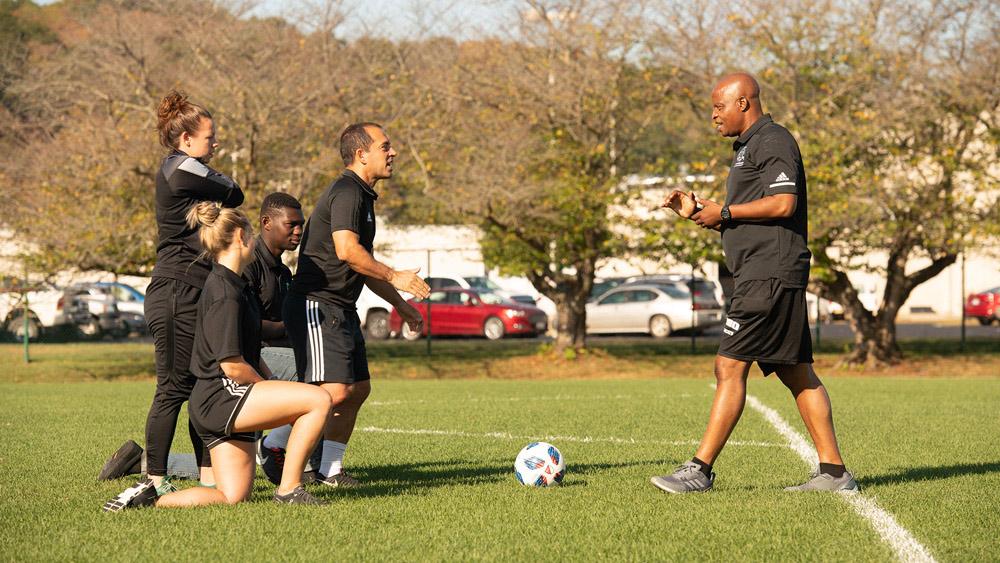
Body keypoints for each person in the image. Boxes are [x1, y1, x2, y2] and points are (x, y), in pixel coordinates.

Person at [652, 72, 857, 493]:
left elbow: (784, 203)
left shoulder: (773, 140)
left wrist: (725, 212)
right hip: (763, 273)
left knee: (728, 365)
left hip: (768, 275)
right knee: (796, 372)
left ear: (744, 103)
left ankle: (700, 470)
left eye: (718, 106)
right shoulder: (746, 149)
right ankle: (834, 474)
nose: (713, 115)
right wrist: (701, 212)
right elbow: (748, 218)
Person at [103, 203, 331, 511]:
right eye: (251, 233)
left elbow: (247, 352)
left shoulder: (237, 285)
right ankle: (289, 488)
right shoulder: (224, 290)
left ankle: (147, 500)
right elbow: (232, 366)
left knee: (232, 495)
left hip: (220, 400)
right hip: (220, 398)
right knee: (319, 400)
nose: (254, 239)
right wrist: (267, 388)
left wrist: (274, 385)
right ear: (240, 237)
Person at [271, 122, 429, 487]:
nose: (393, 153)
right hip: (316, 304)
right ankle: (276, 444)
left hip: (340, 307)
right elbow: (347, 251)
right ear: (362, 155)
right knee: (335, 391)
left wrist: (401, 306)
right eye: (385, 147)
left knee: (357, 389)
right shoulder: (347, 191)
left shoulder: (363, 197)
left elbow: (361, 264)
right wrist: (395, 276)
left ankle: (330, 469)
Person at [140, 91, 245, 494]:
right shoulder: (179, 167)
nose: (215, 144)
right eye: (209, 137)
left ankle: (208, 474)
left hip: (198, 290)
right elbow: (234, 192)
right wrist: (221, 188)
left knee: (205, 384)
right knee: (173, 388)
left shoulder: (189, 168)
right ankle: (154, 480)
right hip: (175, 291)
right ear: (185, 140)